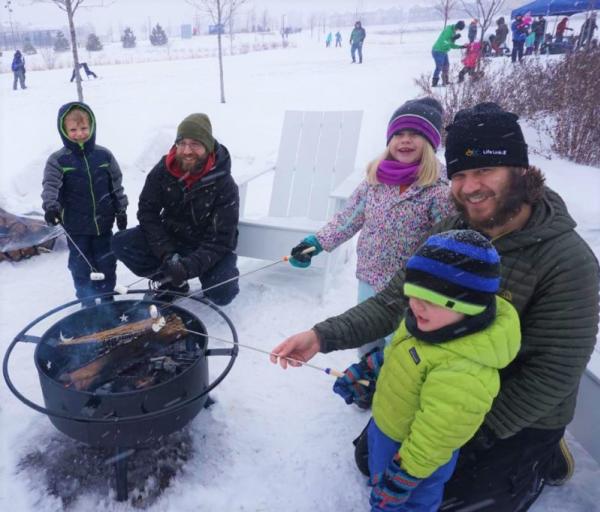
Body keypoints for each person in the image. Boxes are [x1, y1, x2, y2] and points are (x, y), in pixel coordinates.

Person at [270, 102, 599, 511]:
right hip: (442, 382)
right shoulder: (455, 230)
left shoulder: (567, 261)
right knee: (370, 461)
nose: (470, 186)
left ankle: (544, 456)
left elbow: (553, 375)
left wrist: (461, 435)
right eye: (460, 174)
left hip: (516, 411)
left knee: (446, 499)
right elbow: (395, 299)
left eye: (484, 171)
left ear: (521, 172)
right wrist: (322, 335)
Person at [333, 229, 521, 511]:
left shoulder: (464, 370)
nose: (416, 306)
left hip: (414, 460)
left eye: (431, 300)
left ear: (468, 306)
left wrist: (404, 476)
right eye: (412, 294)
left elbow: (437, 436)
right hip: (388, 431)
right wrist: (367, 369)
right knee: (380, 485)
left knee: (409, 504)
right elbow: (398, 355)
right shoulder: (428, 324)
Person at [288, 98, 454, 355]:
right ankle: (363, 377)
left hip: (410, 286)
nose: (405, 140)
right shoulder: (376, 179)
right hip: (369, 275)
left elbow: (446, 241)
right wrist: (317, 243)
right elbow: (348, 218)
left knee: (397, 344)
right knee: (366, 334)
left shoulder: (439, 190)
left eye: (415, 134)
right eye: (399, 134)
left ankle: (388, 385)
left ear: (431, 143)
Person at [112, 113, 240, 305]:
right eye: (182, 143)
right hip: (172, 239)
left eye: (195, 144)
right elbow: (148, 212)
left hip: (207, 247)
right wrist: (167, 254)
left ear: (208, 146)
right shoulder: (163, 170)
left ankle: (186, 277)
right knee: (122, 243)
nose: (187, 151)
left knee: (222, 291)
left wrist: (188, 267)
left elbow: (221, 241)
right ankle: (173, 283)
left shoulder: (224, 184)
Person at [42, 102, 128, 307]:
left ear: (92, 127)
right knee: (81, 264)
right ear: (64, 130)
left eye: (83, 128)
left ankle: (107, 298)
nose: (79, 134)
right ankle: (86, 300)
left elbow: (116, 184)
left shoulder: (104, 155)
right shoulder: (59, 160)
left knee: (106, 261)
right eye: (73, 130)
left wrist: (121, 209)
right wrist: (51, 206)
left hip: (103, 223)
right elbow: (50, 185)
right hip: (75, 226)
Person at [431, 20, 465, 87]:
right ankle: (434, 83)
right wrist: (452, 39)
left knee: (446, 65)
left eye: (459, 30)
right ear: (457, 26)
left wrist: (461, 46)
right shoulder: (448, 30)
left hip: (444, 51)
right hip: (438, 50)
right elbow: (444, 42)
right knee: (439, 67)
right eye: (458, 29)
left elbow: (451, 45)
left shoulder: (453, 32)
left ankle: (445, 81)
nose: (458, 30)